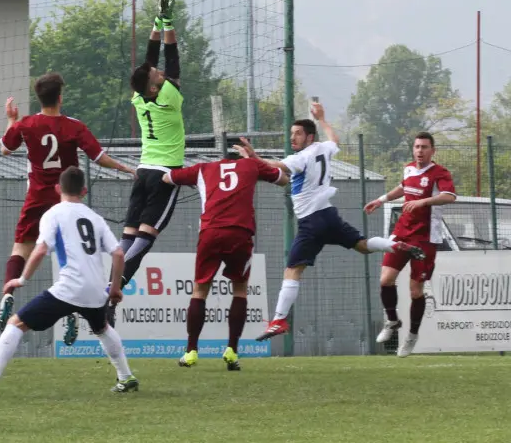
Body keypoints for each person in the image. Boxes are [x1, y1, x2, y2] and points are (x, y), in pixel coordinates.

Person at [237, 102, 425, 342]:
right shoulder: (323, 148)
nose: (293, 137)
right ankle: (395, 245)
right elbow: (335, 139)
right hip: (328, 215)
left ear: (309, 136)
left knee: (293, 270)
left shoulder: (302, 157)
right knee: (362, 245)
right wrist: (323, 118)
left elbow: (275, 166)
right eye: (292, 133)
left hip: (311, 222)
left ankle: (279, 320)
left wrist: (252, 156)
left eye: (298, 134)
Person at [0, 166, 138, 397]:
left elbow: (41, 248)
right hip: (95, 290)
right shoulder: (95, 218)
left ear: (57, 189)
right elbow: (118, 254)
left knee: (16, 324)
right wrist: (114, 288)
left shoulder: (53, 213)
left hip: (69, 287)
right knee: (102, 328)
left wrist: (21, 279)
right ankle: (126, 377)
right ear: (84, 191)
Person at [0, 73, 134, 334]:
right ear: (60, 98)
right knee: (70, 255)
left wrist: (11, 121)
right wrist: (125, 168)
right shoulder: (74, 126)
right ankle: (71, 311)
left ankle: (8, 293)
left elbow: (5, 148)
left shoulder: (26, 124)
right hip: (66, 200)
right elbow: (98, 156)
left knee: (21, 248)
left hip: (36, 198)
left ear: (39, 98)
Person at [163, 151, 288, 369]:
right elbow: (283, 180)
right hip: (240, 233)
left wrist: (195, 183)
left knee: (200, 290)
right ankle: (232, 351)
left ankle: (191, 351)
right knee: (239, 289)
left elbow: (167, 178)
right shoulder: (250, 166)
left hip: (210, 232)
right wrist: (256, 169)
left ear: (222, 160)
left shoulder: (203, 168)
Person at [108, 0, 185, 326]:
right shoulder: (168, 97)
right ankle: (109, 287)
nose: (160, 73)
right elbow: (173, 56)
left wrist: (157, 20)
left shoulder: (139, 98)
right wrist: (168, 23)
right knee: (145, 239)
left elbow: (150, 62)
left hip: (143, 173)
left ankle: (113, 292)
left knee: (129, 237)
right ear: (155, 87)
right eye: (157, 76)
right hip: (165, 175)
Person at [364, 132, 456, 357]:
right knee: (385, 279)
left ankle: (412, 335)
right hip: (402, 233)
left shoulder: (439, 173)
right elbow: (403, 188)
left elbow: (450, 196)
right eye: (417, 147)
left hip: (425, 238)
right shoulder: (409, 168)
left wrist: (423, 201)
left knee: (415, 291)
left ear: (432, 150)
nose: (420, 151)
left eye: (424, 147)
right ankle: (393, 321)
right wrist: (381, 200)